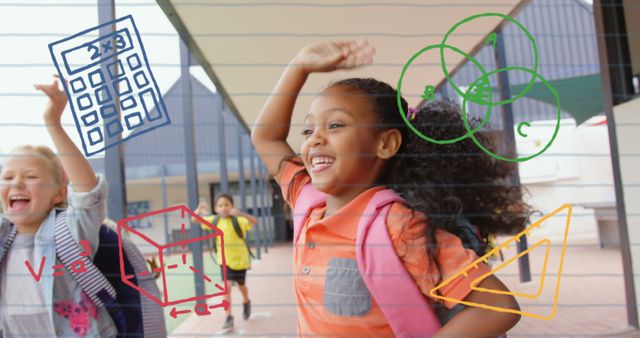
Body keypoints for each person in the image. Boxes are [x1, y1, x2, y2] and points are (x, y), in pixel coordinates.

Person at [251, 40, 530, 337]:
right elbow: (266, 138)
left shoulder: (400, 227)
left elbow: (497, 306)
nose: (314, 139)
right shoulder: (307, 202)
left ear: (386, 144)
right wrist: (298, 67)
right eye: (308, 130)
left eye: (335, 126)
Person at [0, 78, 117, 337]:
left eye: (30, 177)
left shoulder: (69, 232)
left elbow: (88, 192)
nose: (17, 182)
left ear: (58, 194)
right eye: (8, 178)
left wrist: (53, 123)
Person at [192, 194, 257, 331]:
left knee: (241, 286)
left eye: (227, 205)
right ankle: (229, 317)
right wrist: (199, 209)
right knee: (226, 288)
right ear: (216, 208)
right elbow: (194, 220)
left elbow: (254, 221)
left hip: (240, 261)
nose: (224, 208)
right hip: (224, 261)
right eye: (220, 205)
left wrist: (241, 214)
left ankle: (246, 301)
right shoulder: (214, 220)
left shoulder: (238, 220)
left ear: (232, 206)